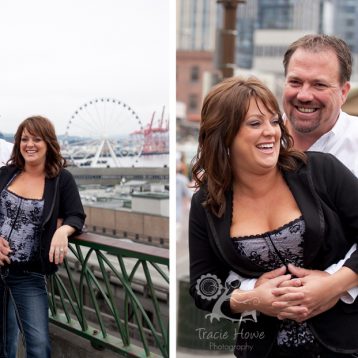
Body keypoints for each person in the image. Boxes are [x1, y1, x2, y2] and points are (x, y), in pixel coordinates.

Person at [189, 76, 358, 357]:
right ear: (225, 135)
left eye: (273, 121)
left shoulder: (321, 171)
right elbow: (202, 287)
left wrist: (333, 285)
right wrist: (254, 298)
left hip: (346, 345)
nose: (270, 132)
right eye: (255, 124)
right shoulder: (207, 203)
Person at [234, 34, 358, 318]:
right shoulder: (254, 144)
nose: (304, 94)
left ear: (343, 91)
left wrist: (335, 285)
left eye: (319, 85)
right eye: (295, 82)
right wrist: (253, 294)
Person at [0, 116, 86, 358]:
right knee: (3, 344)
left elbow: (76, 215)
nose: (30, 144)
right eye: (24, 139)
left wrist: (62, 231)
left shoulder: (61, 180)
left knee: (38, 346)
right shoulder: (6, 174)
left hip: (28, 275)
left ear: (48, 143)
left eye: (36, 139)